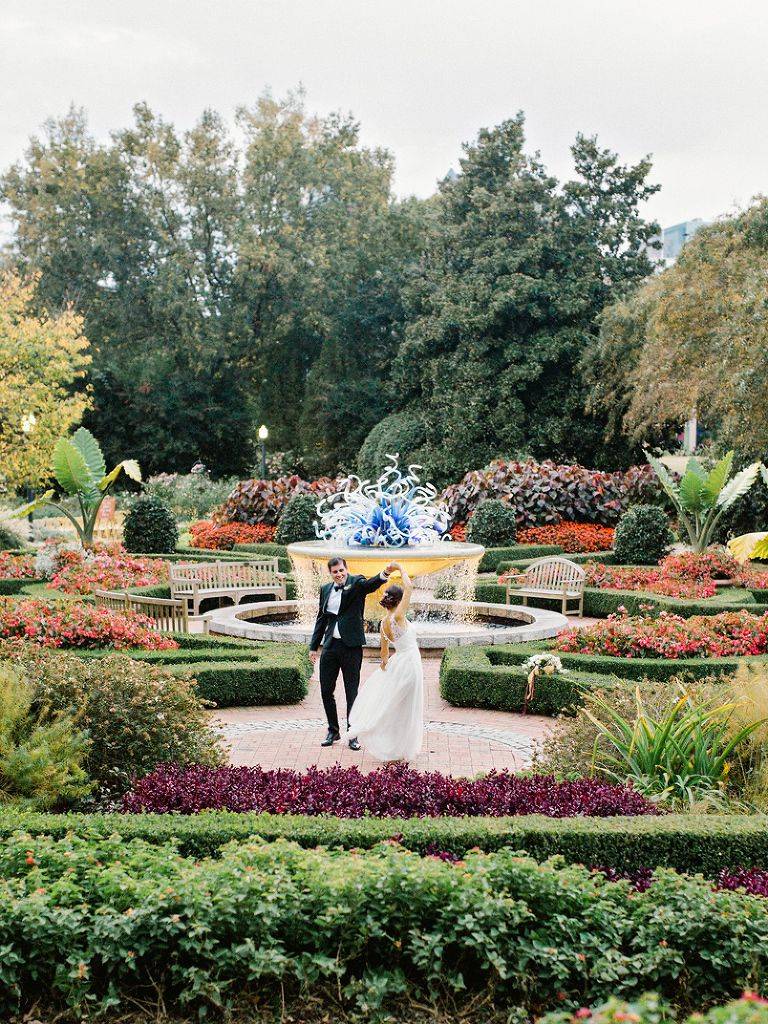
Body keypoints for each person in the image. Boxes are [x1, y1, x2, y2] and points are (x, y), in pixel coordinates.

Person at [310, 556, 396, 748]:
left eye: (341, 570)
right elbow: (321, 619)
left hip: (351, 647)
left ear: (346, 569)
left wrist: (386, 573)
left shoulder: (356, 583)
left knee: (351, 692)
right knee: (325, 690)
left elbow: (371, 585)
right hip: (330, 646)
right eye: (335, 572)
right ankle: (333, 731)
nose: (339, 574)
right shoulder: (325, 589)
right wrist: (313, 646)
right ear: (330, 573)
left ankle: (353, 733)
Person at [346, 562, 424, 763]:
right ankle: (400, 749)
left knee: (395, 707)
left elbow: (384, 654)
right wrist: (401, 568)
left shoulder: (383, 623)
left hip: (399, 663)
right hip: (410, 663)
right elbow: (410, 587)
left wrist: (386, 672)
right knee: (408, 707)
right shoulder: (399, 616)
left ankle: (393, 746)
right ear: (398, 601)